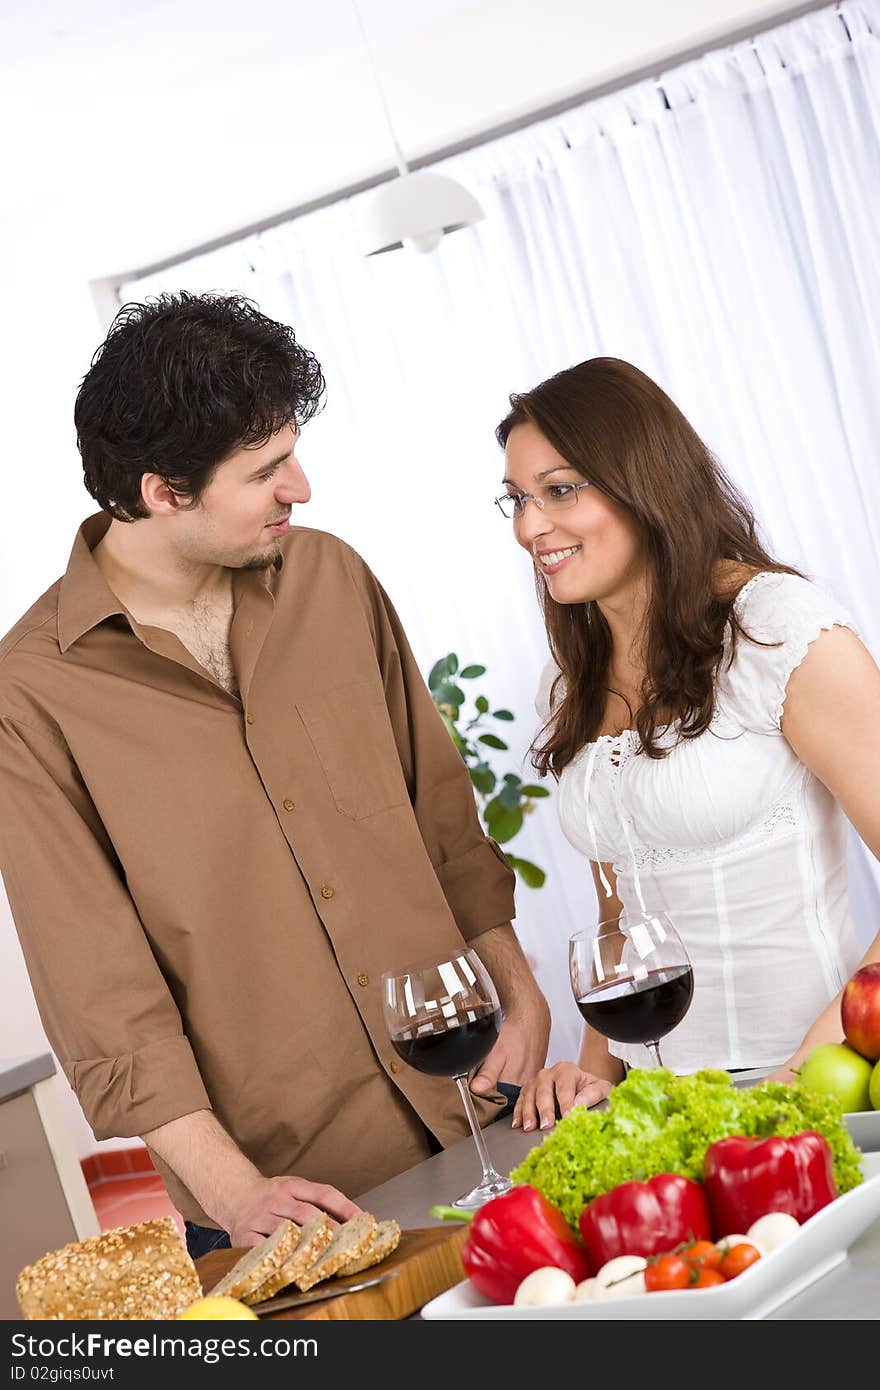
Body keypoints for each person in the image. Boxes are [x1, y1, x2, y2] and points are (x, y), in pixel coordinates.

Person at [0, 292, 549, 1257]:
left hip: (487, 1111)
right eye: (265, 470)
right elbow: (99, 988)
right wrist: (238, 1194)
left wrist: (522, 991)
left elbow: (438, 813)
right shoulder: (31, 695)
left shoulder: (332, 579)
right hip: (294, 1202)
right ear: (164, 491)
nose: (301, 485)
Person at [491, 357, 880, 1133]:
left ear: (645, 482)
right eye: (517, 499)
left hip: (810, 1094)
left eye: (560, 490)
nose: (531, 526)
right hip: (655, 1109)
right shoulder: (568, 683)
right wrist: (590, 1073)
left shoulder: (776, 628)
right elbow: (623, 916)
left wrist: (803, 1080)